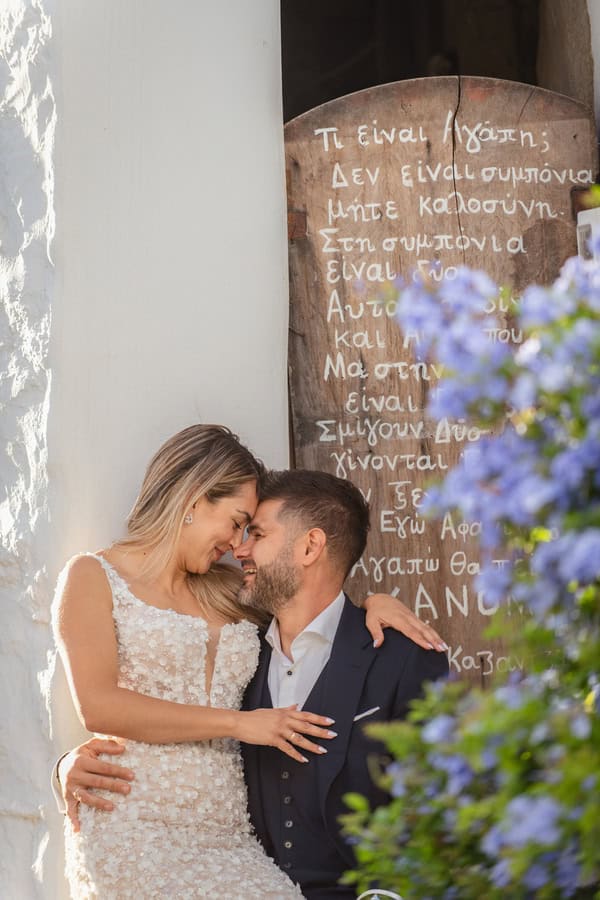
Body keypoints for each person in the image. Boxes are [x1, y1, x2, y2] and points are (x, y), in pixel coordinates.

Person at [53, 424, 446, 899]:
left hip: (230, 840)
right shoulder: (92, 575)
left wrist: (374, 604)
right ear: (194, 499)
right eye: (238, 522)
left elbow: (310, 601)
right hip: (135, 825)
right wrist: (65, 766)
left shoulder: (225, 592)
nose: (238, 544)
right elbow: (98, 707)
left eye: (250, 530)